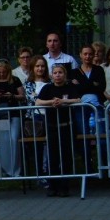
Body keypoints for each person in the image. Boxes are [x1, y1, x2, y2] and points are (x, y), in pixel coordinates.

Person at [36, 65, 82, 197]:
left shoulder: (70, 87)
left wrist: (63, 101)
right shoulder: (47, 88)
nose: (58, 75)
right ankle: (52, 186)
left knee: (66, 157)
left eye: (60, 72)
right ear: (51, 75)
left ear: (65, 74)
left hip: (66, 125)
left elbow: (78, 99)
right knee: (53, 157)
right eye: (55, 73)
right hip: (51, 126)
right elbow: (38, 102)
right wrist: (52, 102)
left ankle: (64, 186)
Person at [0, 61, 24, 178]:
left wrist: (12, 96)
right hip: (0, 115)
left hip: (13, 114)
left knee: (13, 139)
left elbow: (22, 96)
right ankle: (3, 169)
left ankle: (15, 170)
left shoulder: (15, 80)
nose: (2, 74)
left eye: (4, 72)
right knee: (2, 141)